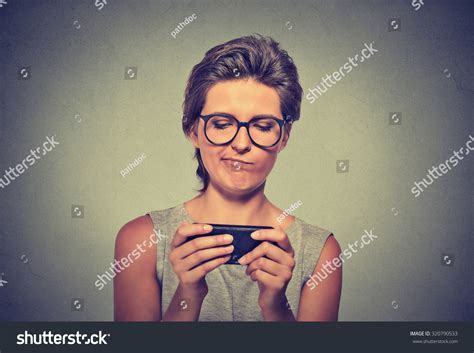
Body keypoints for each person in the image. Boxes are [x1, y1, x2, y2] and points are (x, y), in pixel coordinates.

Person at [114, 34, 342, 321]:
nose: (241, 143)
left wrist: (275, 306)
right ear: (193, 130)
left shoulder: (319, 250)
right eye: (222, 124)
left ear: (283, 136)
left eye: (262, 126)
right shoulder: (140, 241)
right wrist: (187, 294)